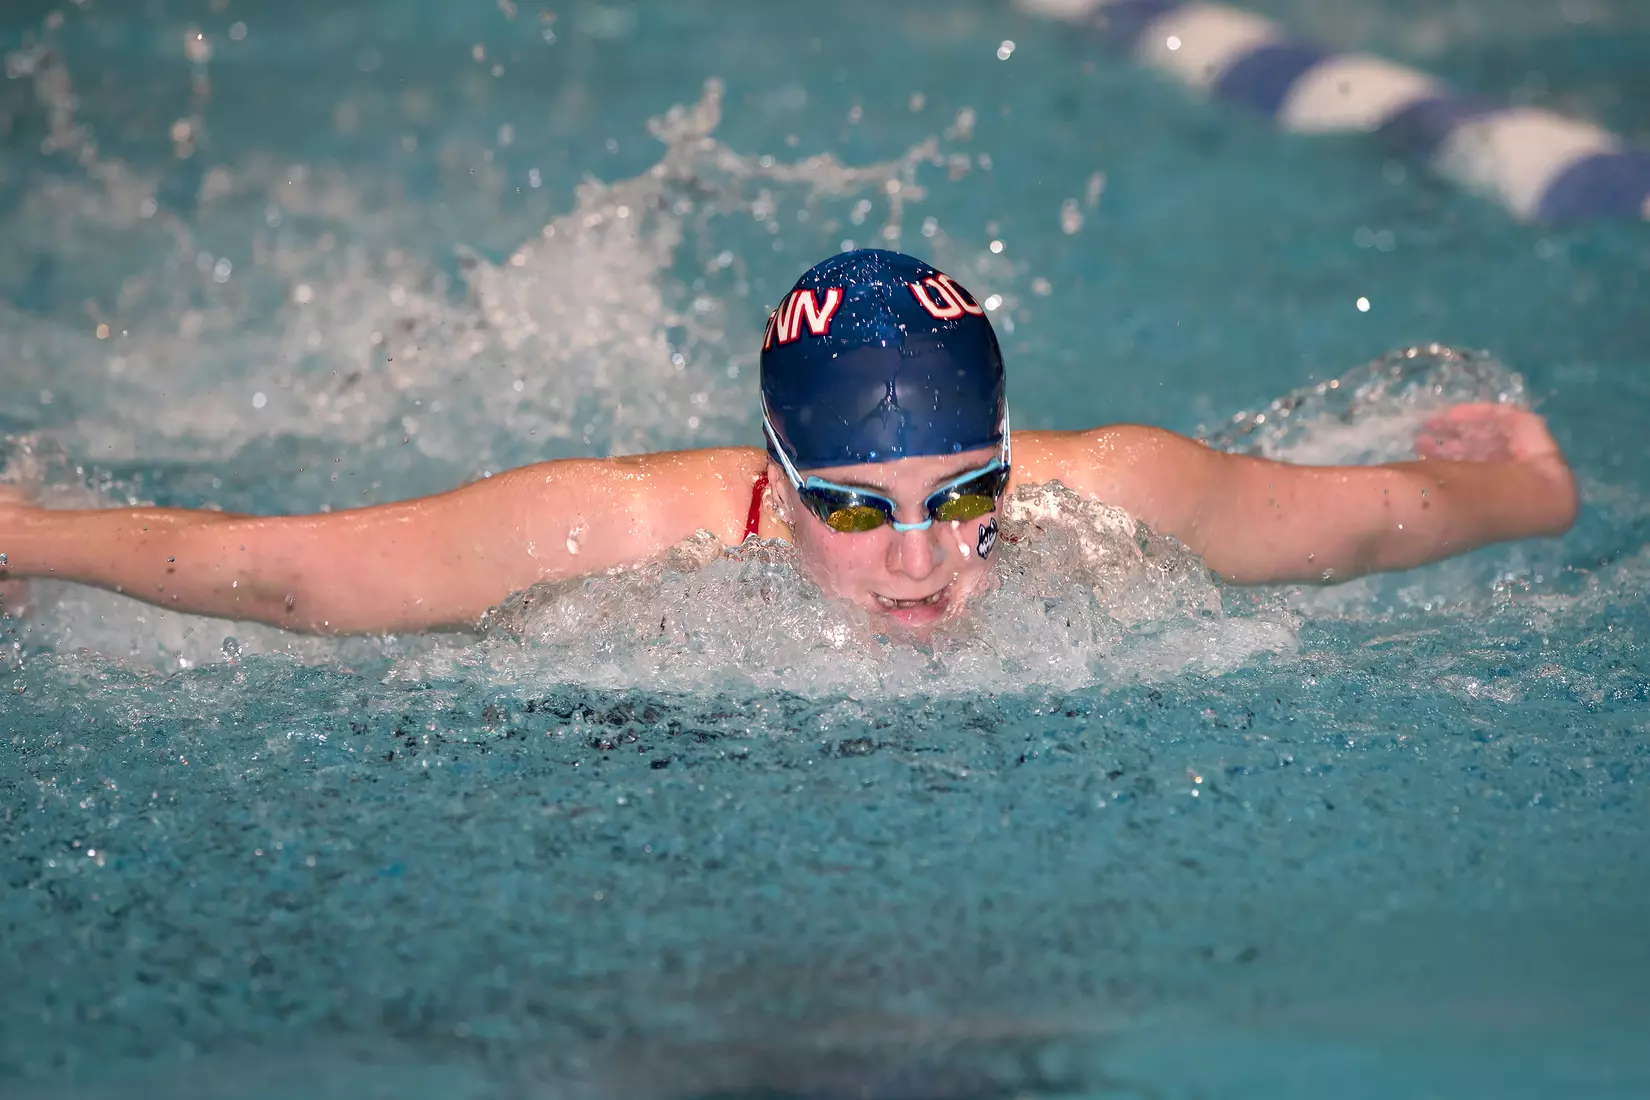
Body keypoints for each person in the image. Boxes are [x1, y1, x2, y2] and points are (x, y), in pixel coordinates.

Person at [0, 249, 1577, 636]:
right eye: (855, 509)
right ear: (771, 479)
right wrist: (22, 535)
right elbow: (284, 576)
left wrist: (1526, 486)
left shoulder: (1119, 498)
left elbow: (1365, 521)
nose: (922, 564)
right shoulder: (614, 533)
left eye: (969, 496)